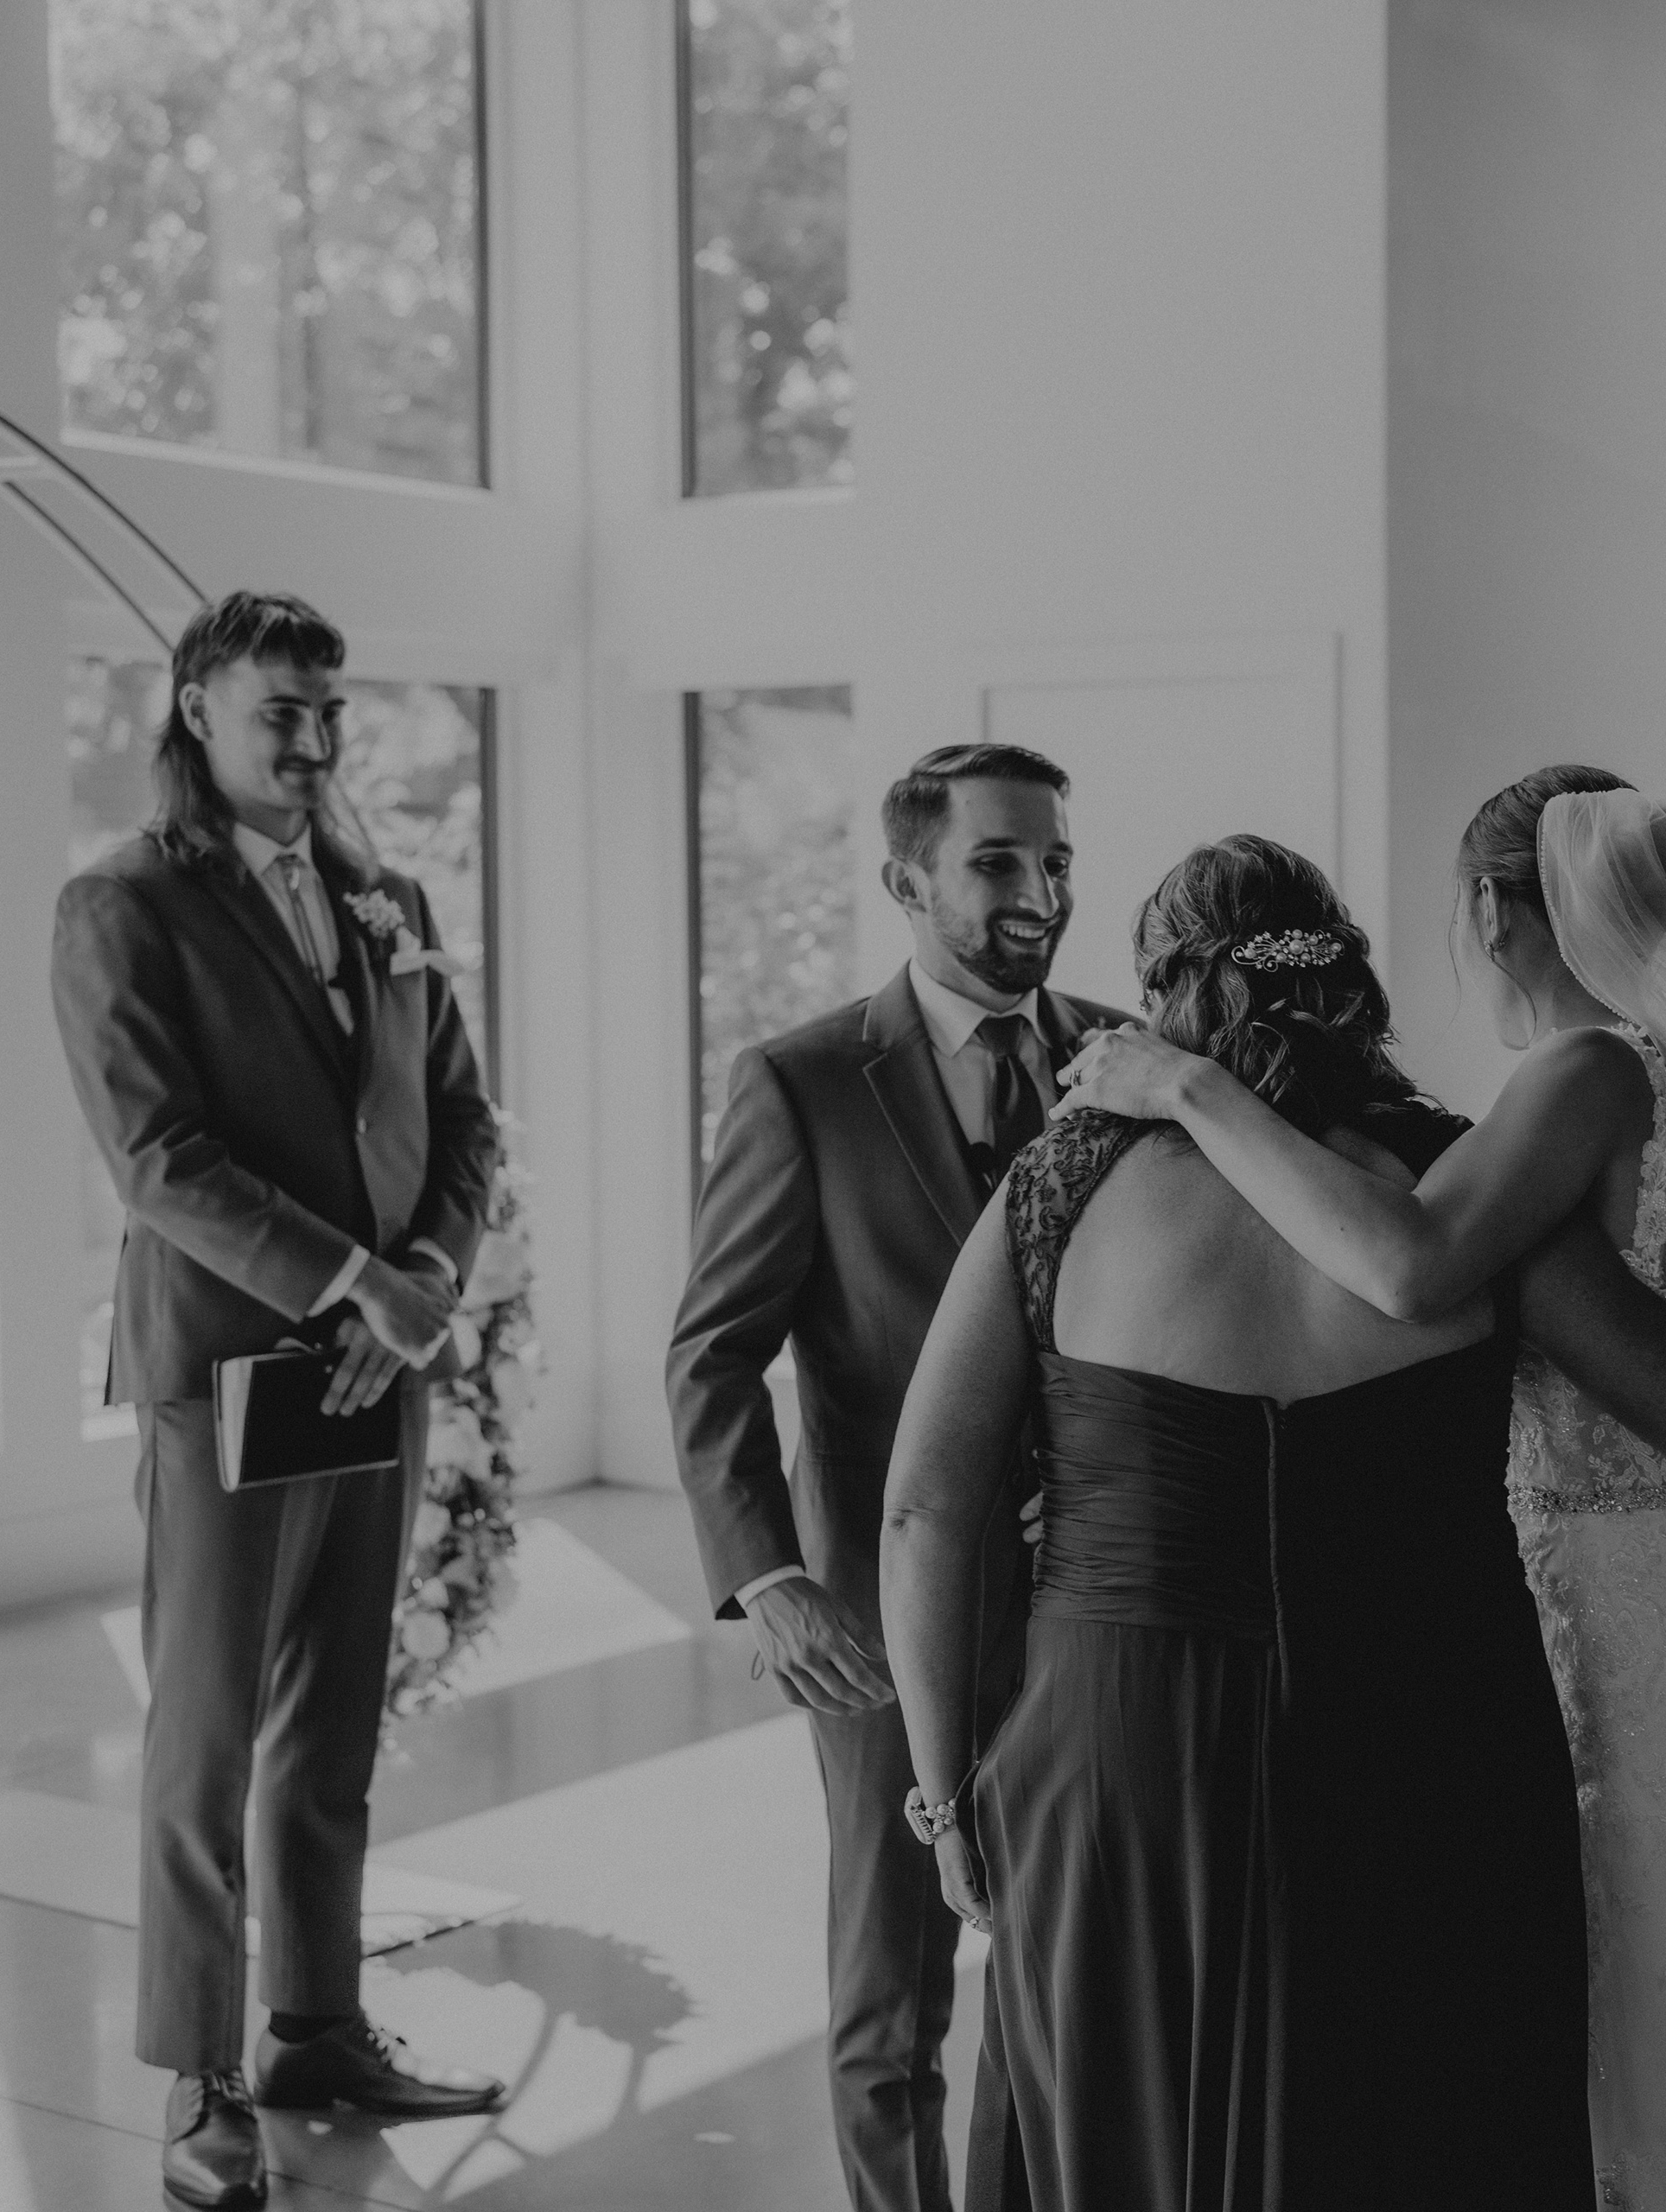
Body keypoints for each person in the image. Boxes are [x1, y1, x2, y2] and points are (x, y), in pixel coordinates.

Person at [881, 835, 1666, 2210]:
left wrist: (944, 1799)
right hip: (1432, 1719)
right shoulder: (1459, 1184)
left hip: (1129, 1736)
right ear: (1347, 984)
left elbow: (926, 1507)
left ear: (1167, 997)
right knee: (1423, 2117)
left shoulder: (1062, 1185)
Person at [52, 593, 504, 2212]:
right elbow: (157, 1159)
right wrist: (354, 1282)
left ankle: (315, 2027)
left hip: (381, 1368)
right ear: (196, 708)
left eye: (328, 713)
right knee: (206, 1734)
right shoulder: (123, 905)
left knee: (333, 1717)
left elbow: (464, 1122)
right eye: (279, 714)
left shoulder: (394, 898)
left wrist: (426, 1278)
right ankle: (202, 2074)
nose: (312, 743)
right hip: (228, 1375)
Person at [667, 743, 1122, 2212]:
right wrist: (768, 1577)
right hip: (882, 1607)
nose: (1039, 890)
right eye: (998, 861)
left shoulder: (1127, 1057)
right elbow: (711, 1355)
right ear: (906, 881)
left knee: (1076, 1957)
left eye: (1056, 859)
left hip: (1102, 1590)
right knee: (892, 1985)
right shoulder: (801, 1084)